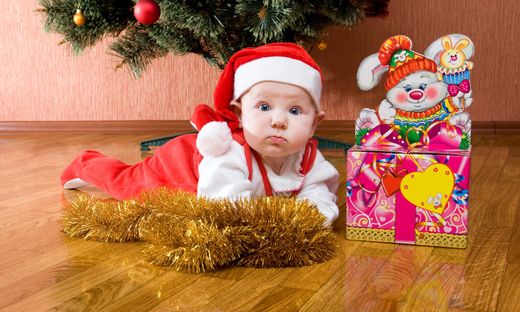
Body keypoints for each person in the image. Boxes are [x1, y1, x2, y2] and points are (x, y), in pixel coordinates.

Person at [61, 43, 340, 225]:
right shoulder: (231, 154)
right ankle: (85, 164)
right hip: (179, 165)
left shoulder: (309, 159)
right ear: (239, 113)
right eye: (264, 106)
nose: (278, 120)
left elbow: (320, 196)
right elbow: (225, 210)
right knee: (126, 184)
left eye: (294, 111)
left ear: (314, 124)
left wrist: (309, 218)